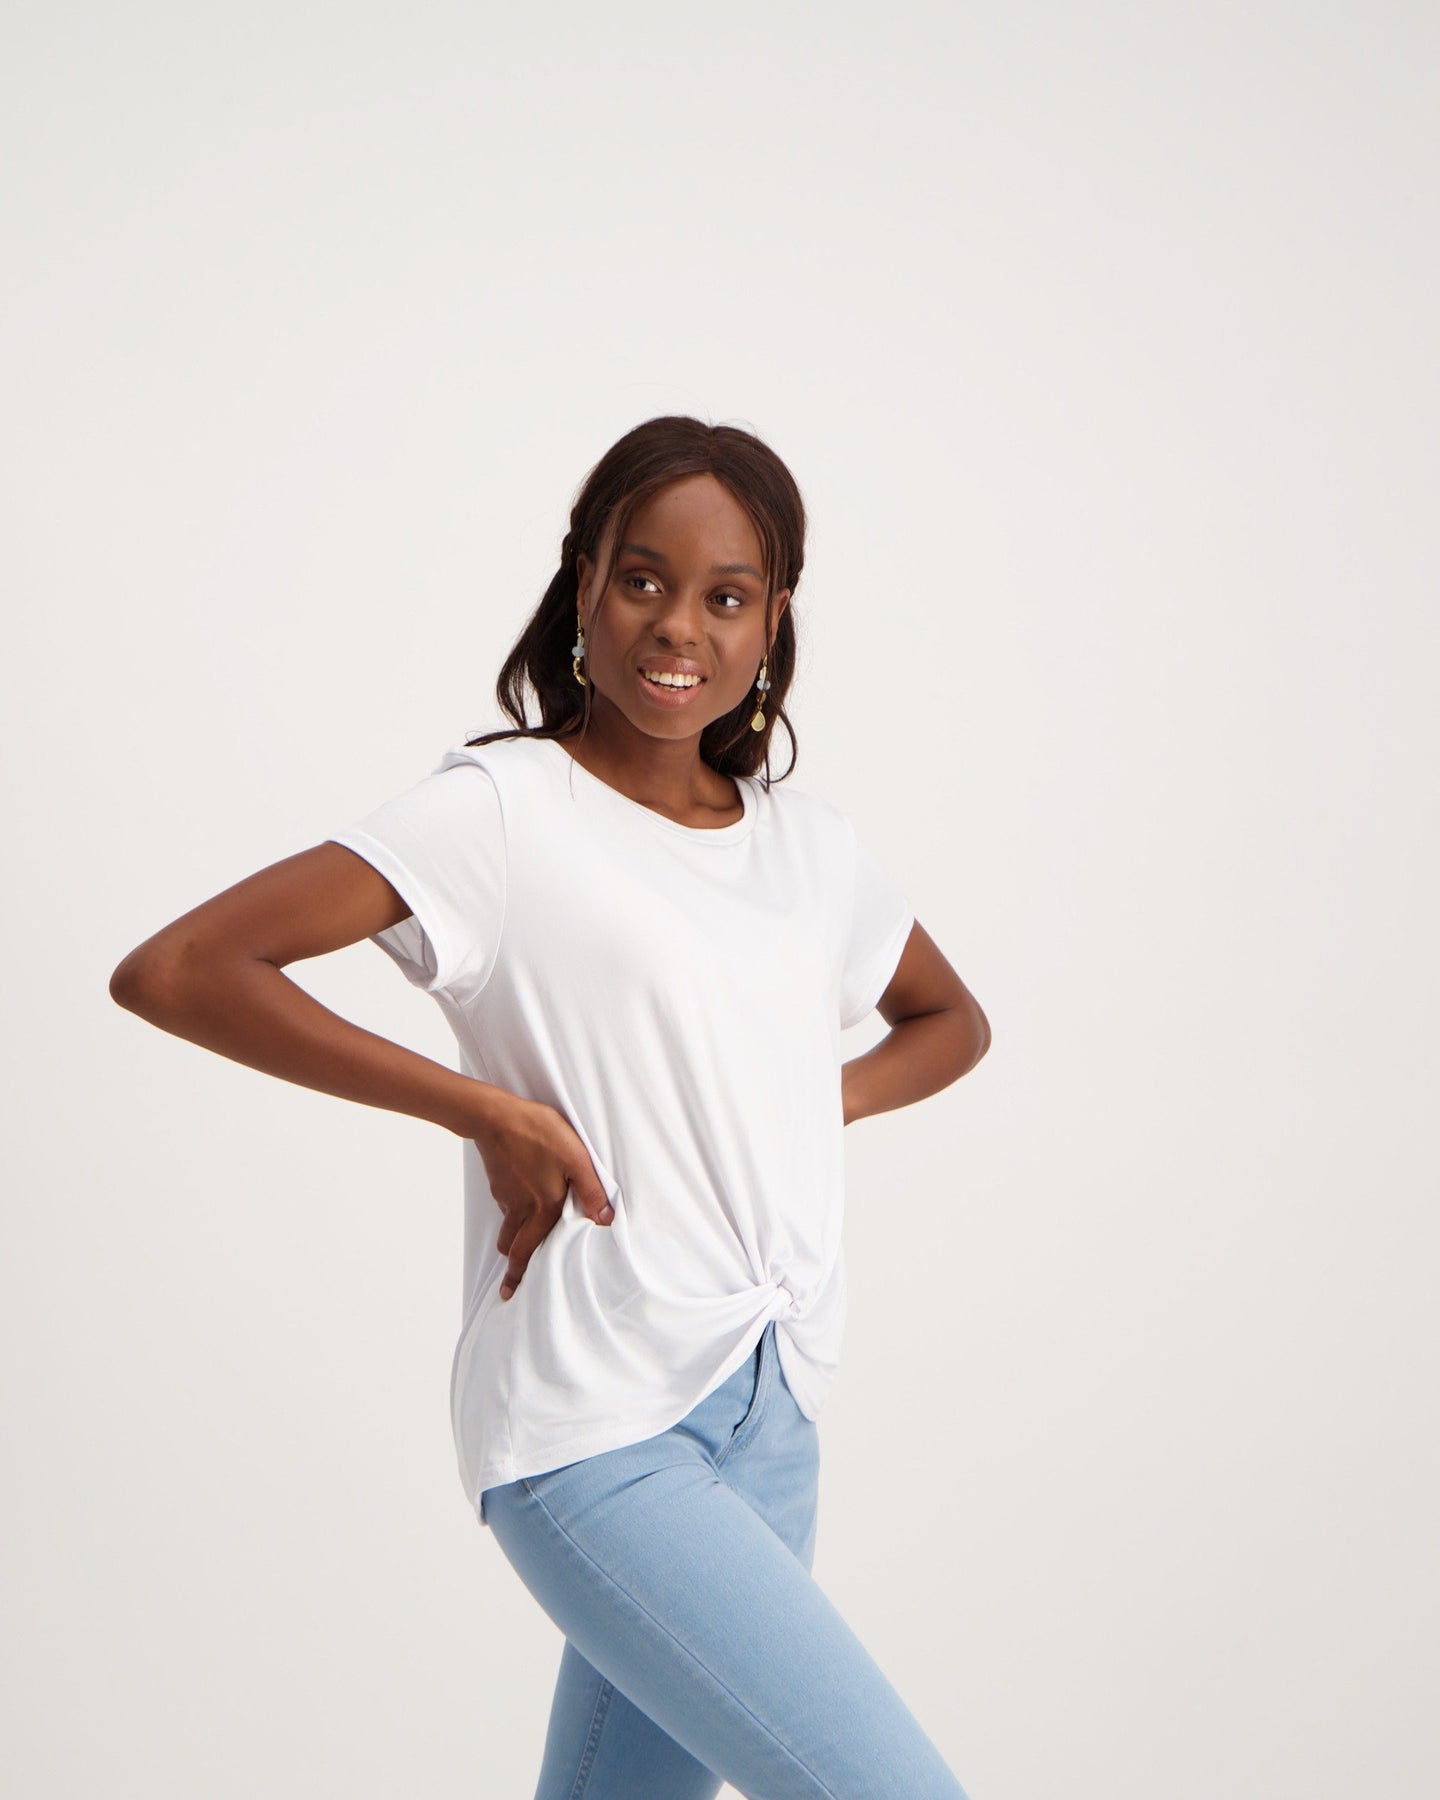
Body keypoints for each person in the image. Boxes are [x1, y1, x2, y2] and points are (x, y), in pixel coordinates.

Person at [110, 415, 992, 1799]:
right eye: (643, 579)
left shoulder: (812, 851)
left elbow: (951, 1022)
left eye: (727, 596)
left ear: (773, 621)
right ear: (585, 583)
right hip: (598, 1419)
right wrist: (479, 1110)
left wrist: (801, 1104)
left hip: (774, 1407)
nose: (679, 626)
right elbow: (180, 971)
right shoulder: (503, 812)